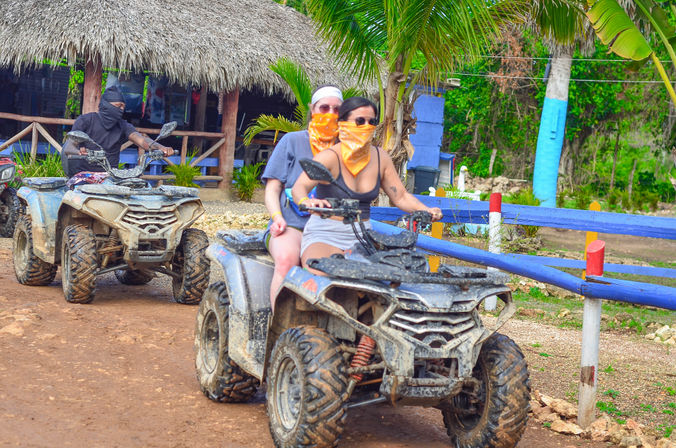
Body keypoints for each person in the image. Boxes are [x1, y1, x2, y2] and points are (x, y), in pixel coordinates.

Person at [292, 96, 442, 272]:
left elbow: (400, 196)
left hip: (363, 237)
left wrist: (426, 210)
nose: (366, 127)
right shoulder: (329, 156)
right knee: (322, 273)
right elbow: (299, 188)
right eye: (359, 121)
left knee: (384, 282)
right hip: (325, 233)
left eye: (371, 122)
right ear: (342, 123)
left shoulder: (381, 158)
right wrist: (306, 201)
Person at [262, 85, 343, 307]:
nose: (330, 114)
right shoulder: (292, 141)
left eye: (336, 109)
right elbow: (272, 188)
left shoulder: (347, 149)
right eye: (324, 108)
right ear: (312, 110)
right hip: (292, 225)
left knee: (329, 270)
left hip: (330, 229)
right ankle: (276, 327)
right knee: (287, 260)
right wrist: (277, 217)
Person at [62, 85, 174, 177]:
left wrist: (161, 147)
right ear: (106, 104)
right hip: (84, 175)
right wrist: (79, 152)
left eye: (123, 107)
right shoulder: (86, 120)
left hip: (110, 176)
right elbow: (68, 147)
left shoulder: (123, 125)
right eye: (118, 106)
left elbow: (142, 141)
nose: (121, 110)